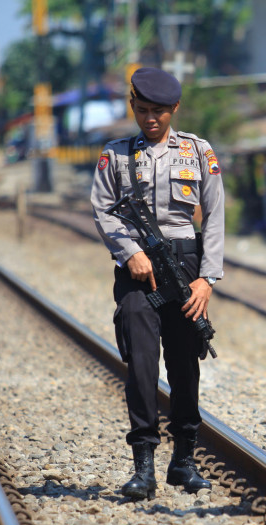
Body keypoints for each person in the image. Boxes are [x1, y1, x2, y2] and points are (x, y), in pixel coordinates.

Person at [91, 67, 225, 500]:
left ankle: (184, 460)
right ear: (132, 106)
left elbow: (216, 217)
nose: (151, 119)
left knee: (186, 364)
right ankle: (143, 464)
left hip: (185, 266)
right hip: (137, 271)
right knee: (143, 365)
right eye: (143, 109)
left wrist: (207, 278)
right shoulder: (115, 155)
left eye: (160, 111)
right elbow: (103, 209)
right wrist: (131, 253)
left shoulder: (199, 152)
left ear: (174, 110)